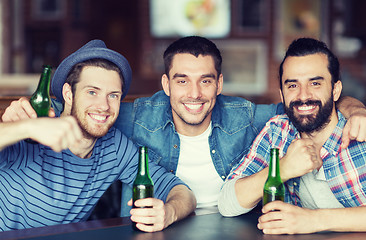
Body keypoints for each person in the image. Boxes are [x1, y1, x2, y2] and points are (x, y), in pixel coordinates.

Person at [3, 36, 366, 217]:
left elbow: (305, 109)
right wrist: (24, 127)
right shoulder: (121, 118)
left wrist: (354, 108)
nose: (194, 93)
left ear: (219, 84)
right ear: (165, 85)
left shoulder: (254, 118)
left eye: (206, 81)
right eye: (181, 81)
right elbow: (77, 114)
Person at [0, 39, 196, 232]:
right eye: (92, 92)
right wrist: (25, 128)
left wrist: (168, 212)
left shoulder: (115, 146)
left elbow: (180, 191)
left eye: (113, 95)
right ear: (68, 94)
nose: (104, 106)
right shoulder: (34, 131)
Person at [218, 37, 366, 234]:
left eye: (315, 83)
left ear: (335, 90)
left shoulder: (360, 131)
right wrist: (283, 168)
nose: (303, 96)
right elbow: (227, 203)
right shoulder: (277, 131)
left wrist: (313, 220)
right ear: (282, 94)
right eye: (292, 85)